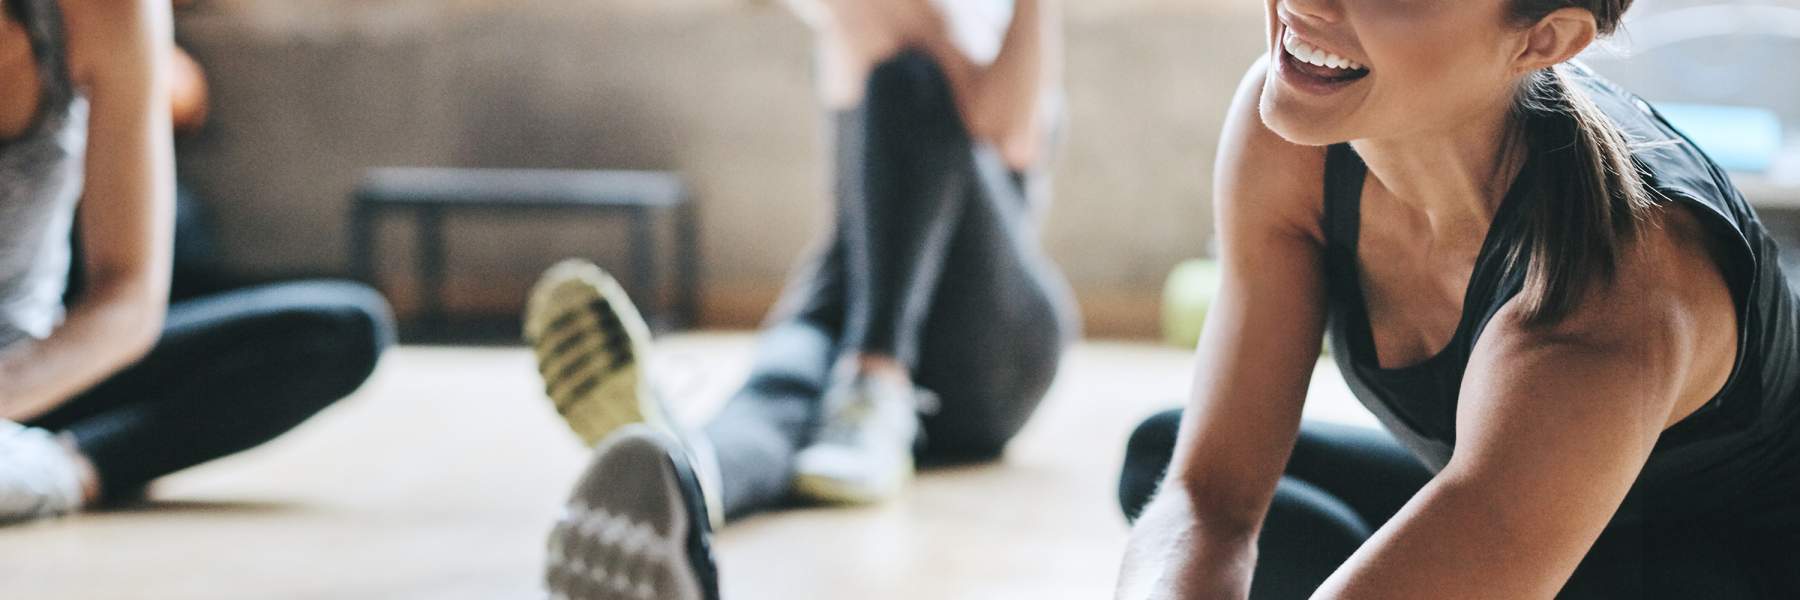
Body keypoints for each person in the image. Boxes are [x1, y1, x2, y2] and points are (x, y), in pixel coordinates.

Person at [1113, 0, 1800, 598]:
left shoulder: (1610, 300)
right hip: (1514, 513)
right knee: (1163, 461)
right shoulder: (1301, 131)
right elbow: (1211, 499)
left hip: (1714, 565)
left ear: (1542, 41)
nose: (1305, 3)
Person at [527, 0, 1077, 597]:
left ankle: (877, 379)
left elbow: (1012, 134)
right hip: (839, 305)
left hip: (988, 342)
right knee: (774, 396)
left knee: (911, 79)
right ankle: (679, 473)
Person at [0, 0, 393, 523]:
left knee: (340, 329)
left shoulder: (111, 13)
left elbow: (127, 295)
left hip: (33, 369)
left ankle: (62, 471)